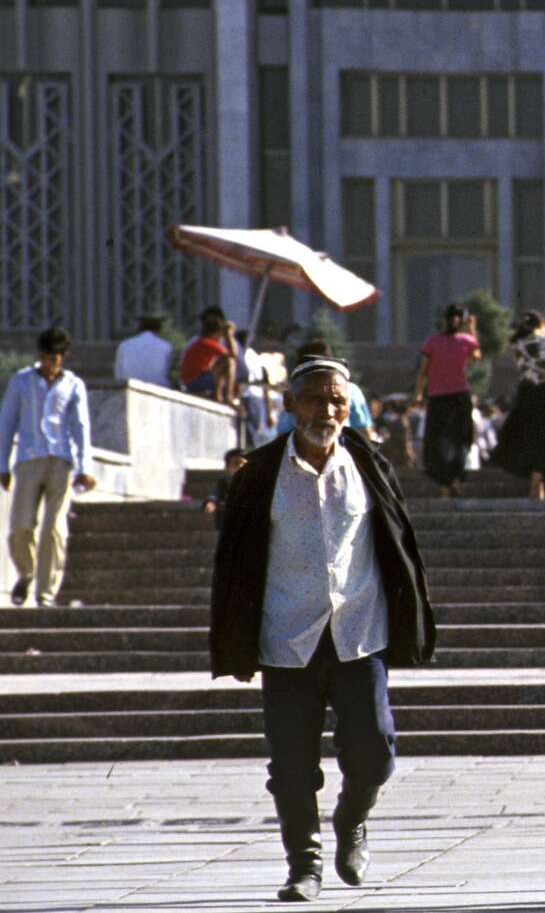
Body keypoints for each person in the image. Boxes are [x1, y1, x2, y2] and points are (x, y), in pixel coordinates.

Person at [208, 357, 437, 902]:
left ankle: (352, 816)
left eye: (337, 400)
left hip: (359, 630)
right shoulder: (259, 474)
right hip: (287, 636)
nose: (327, 410)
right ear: (290, 405)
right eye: (315, 398)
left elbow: (397, 541)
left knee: (376, 751)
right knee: (291, 762)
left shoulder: (366, 462)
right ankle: (303, 864)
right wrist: (236, 640)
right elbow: (234, 560)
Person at [0, 328, 94, 607]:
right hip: (29, 459)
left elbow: (80, 427)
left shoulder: (73, 384)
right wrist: (2, 464)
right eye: (44, 357)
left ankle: (46, 592)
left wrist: (85, 466)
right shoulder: (22, 381)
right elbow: (6, 423)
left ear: (63, 357)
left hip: (60, 461)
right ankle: (27, 573)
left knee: (54, 528)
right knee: (20, 526)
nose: (48, 364)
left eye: (54, 358)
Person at [493, 312, 545, 500]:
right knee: (544, 439)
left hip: (527, 394)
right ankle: (538, 484)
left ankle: (536, 484)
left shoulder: (517, 344)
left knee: (529, 438)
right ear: (542, 323)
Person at [410, 305, 480, 498]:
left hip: (438, 396)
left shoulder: (432, 342)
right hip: (460, 396)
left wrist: (417, 394)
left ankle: (445, 483)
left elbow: (423, 371)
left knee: (437, 440)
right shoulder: (466, 340)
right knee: (460, 439)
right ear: (462, 320)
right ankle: (454, 479)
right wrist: (471, 327)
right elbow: (476, 356)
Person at [273, 341, 376, 440]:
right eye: (315, 401)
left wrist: (372, 455)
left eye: (336, 401)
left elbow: (364, 430)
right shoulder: (296, 394)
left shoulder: (350, 391)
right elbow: (283, 432)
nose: (328, 412)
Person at [180, 310, 234, 400]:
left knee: (220, 363)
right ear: (217, 333)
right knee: (228, 362)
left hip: (190, 381)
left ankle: (218, 395)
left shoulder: (200, 342)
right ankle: (228, 397)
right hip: (194, 382)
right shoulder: (208, 343)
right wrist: (229, 336)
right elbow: (232, 356)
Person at [113, 315, 175, 387]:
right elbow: (166, 371)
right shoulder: (166, 346)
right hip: (158, 387)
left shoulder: (124, 345)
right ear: (159, 329)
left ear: (139, 329)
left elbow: (118, 373)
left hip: (129, 387)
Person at [203, 447, 248, 517]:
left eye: (244, 464)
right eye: (236, 464)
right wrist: (211, 503)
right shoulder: (223, 483)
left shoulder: (253, 484)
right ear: (227, 468)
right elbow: (214, 495)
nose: (240, 467)